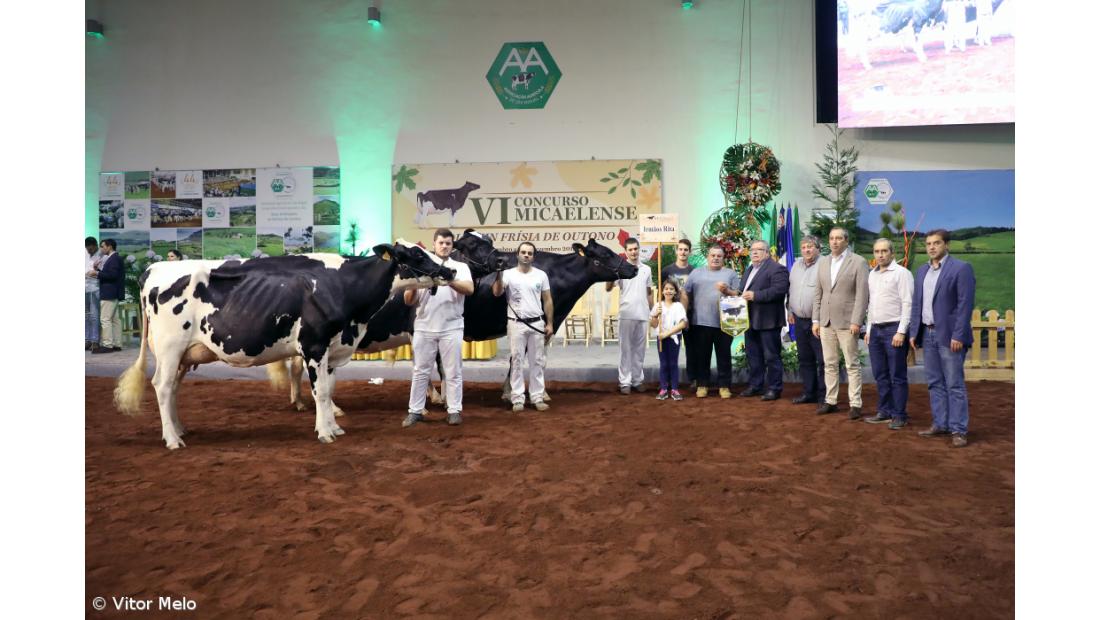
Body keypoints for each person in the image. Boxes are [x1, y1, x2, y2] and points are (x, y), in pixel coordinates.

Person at [909, 229, 976, 448]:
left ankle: (959, 429)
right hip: (927, 333)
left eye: (936, 243)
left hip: (949, 336)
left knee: (954, 384)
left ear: (946, 245)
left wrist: (958, 334)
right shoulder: (922, 271)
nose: (931, 247)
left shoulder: (961, 268)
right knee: (934, 382)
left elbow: (964, 305)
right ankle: (940, 423)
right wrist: (913, 332)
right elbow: (917, 304)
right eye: (928, 244)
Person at [402, 229, 475, 428]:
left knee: (453, 371)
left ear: (452, 246)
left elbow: (469, 290)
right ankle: (415, 411)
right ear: (433, 244)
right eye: (441, 243)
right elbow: (408, 301)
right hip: (424, 326)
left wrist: (448, 279)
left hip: (452, 326)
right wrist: (414, 281)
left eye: (448, 243)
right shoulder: (422, 267)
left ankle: (454, 410)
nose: (444, 246)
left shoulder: (460, 267)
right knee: (420, 371)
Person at [812, 227, 869, 418]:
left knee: (852, 364)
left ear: (846, 240)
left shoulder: (858, 262)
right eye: (831, 238)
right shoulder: (823, 262)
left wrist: (857, 321)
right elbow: (818, 293)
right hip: (826, 322)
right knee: (829, 363)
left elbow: (862, 295)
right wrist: (816, 320)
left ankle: (855, 404)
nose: (834, 242)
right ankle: (831, 401)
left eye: (838, 238)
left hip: (848, 322)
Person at [493, 241, 554, 412]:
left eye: (530, 253)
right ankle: (518, 398)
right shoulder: (508, 274)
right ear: (517, 254)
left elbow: (548, 299)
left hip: (537, 323)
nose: (526, 255)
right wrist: (498, 274)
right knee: (517, 361)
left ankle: (537, 397)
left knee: (537, 362)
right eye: (523, 252)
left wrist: (549, 323)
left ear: (533, 256)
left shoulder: (541, 275)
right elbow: (497, 292)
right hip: (516, 324)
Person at [863, 238, 915, 430]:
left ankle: (900, 414)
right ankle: (884, 411)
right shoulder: (872, 275)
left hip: (894, 329)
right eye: (877, 251)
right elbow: (871, 305)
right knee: (880, 374)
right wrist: (868, 330)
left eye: (884, 251)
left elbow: (908, 303)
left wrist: (901, 332)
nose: (880, 255)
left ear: (892, 253)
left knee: (897, 375)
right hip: (875, 330)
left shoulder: (902, 274)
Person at [683, 245, 740, 398]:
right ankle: (702, 385)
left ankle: (724, 386)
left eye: (719, 256)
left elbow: (738, 295)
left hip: (725, 322)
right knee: (701, 356)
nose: (715, 258)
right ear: (707, 257)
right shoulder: (696, 273)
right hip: (700, 322)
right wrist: (683, 315)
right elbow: (685, 293)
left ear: (723, 258)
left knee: (724, 356)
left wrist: (727, 291)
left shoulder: (730, 274)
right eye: (713, 255)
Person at [740, 240, 790, 401]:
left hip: (768, 321)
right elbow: (744, 292)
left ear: (767, 253)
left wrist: (756, 296)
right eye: (752, 250)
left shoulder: (777, 269)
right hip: (750, 320)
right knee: (753, 355)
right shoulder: (749, 270)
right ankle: (756, 385)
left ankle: (775, 388)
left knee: (771, 356)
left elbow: (779, 290)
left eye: (759, 250)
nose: (754, 252)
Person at [607, 237, 653, 394]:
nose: (634, 252)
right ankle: (625, 382)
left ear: (639, 250)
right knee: (625, 349)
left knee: (640, 350)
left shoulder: (646, 269)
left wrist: (653, 312)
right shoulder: (621, 269)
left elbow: (649, 292)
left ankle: (637, 380)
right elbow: (608, 287)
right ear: (625, 252)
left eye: (636, 249)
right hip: (626, 313)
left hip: (643, 314)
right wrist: (611, 274)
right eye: (630, 249)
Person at [787, 236, 825, 404]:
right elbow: (791, 290)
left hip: (820, 321)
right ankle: (809, 393)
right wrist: (790, 310)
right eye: (803, 247)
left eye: (810, 246)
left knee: (823, 360)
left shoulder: (825, 264)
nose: (806, 250)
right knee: (805, 358)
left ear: (817, 248)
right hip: (799, 320)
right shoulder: (796, 265)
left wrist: (819, 320)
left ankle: (825, 396)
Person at [661, 238, 696, 388]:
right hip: (670, 316)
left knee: (692, 348)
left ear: (690, 252)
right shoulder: (667, 271)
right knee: (669, 348)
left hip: (689, 314)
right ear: (676, 251)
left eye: (685, 250)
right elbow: (661, 293)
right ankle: (667, 380)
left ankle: (693, 378)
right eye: (680, 249)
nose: (682, 252)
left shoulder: (694, 271)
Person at [649, 279, 688, 401]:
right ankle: (664, 389)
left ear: (675, 291)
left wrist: (666, 334)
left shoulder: (678, 306)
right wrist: (655, 315)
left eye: (671, 289)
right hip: (661, 338)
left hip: (673, 337)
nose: (668, 291)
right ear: (662, 291)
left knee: (673, 363)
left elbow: (682, 324)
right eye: (666, 289)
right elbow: (654, 325)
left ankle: (675, 389)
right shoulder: (658, 305)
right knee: (664, 364)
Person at [92, 239, 124, 354]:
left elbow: (112, 275)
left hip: (109, 293)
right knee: (114, 320)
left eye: (102, 246)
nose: (101, 248)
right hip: (113, 292)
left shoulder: (114, 258)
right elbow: (111, 274)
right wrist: (98, 270)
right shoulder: (115, 258)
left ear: (109, 247)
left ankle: (107, 344)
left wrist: (97, 273)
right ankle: (116, 343)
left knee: (105, 319)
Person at [85, 236, 102, 350]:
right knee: (86, 316)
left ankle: (95, 340)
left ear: (95, 245)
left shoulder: (101, 256)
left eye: (91, 249)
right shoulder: (84, 254)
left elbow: (103, 272)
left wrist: (94, 272)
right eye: (87, 249)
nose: (89, 251)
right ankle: (87, 340)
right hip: (84, 287)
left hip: (96, 288)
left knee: (95, 316)